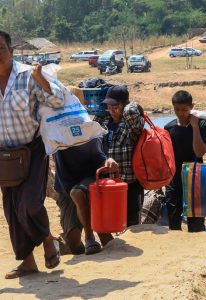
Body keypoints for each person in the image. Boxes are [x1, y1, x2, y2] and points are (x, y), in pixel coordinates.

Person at [0, 30, 65, 279]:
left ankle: (48, 240)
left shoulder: (28, 76)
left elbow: (58, 100)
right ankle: (27, 263)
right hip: (4, 155)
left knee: (29, 204)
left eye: (1, 49)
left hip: (33, 150)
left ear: (11, 51)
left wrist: (42, 78)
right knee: (11, 211)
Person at [53, 139, 118, 255]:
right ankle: (85, 256)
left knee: (77, 193)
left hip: (89, 180)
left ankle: (90, 238)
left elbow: (100, 158)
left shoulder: (86, 129)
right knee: (73, 240)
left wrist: (108, 161)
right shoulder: (53, 130)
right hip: (65, 186)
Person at [95, 85, 144, 226]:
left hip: (129, 184)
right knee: (111, 221)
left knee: (131, 225)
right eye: (108, 106)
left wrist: (131, 104)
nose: (111, 110)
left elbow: (131, 112)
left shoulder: (132, 125)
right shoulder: (104, 122)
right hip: (107, 182)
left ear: (125, 105)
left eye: (115, 106)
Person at [164, 90, 206, 232]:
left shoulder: (203, 125)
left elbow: (199, 152)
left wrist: (195, 127)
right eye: (177, 109)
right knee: (173, 219)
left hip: (196, 178)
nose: (180, 113)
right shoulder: (169, 127)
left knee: (196, 220)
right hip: (174, 178)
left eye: (184, 109)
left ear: (192, 106)